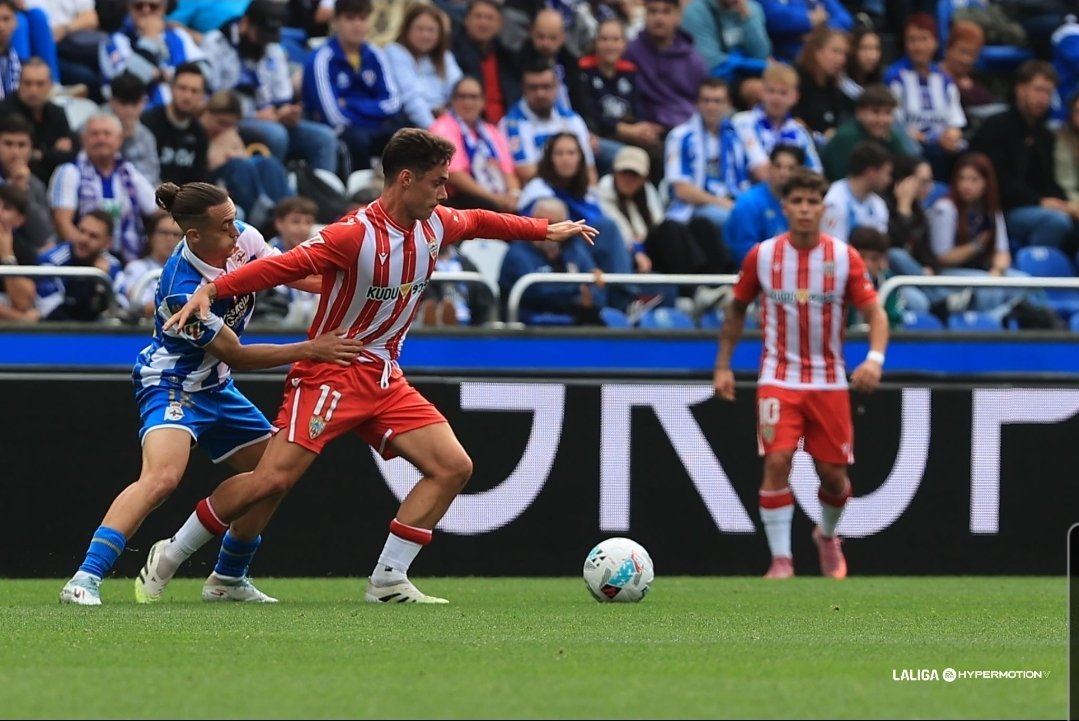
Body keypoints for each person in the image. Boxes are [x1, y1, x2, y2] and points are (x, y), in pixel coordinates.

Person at [135, 128, 597, 604]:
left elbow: (480, 220)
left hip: (383, 374)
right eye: (437, 182)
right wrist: (213, 289)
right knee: (271, 480)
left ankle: (388, 580)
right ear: (405, 179)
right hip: (331, 369)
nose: (443, 193)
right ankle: (171, 553)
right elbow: (285, 267)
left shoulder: (436, 223)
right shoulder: (353, 234)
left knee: (453, 466)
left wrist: (543, 228)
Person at [59, 181, 364, 605]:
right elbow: (236, 354)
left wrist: (359, 280)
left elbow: (297, 275)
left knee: (274, 476)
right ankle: (84, 578)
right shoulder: (180, 289)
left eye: (234, 219)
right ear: (194, 236)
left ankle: (228, 579)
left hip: (217, 385)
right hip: (173, 382)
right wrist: (311, 349)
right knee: (162, 479)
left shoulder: (244, 237)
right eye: (226, 227)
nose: (237, 233)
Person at [712, 167, 888, 580]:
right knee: (777, 460)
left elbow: (875, 312)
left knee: (833, 476)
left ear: (823, 208)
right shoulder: (764, 255)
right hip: (779, 376)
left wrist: (874, 359)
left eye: (813, 202)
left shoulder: (844, 257)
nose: (805, 209)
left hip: (829, 379)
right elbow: (736, 308)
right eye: (797, 202)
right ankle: (781, 560)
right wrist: (723, 365)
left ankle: (826, 535)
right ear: (785, 207)